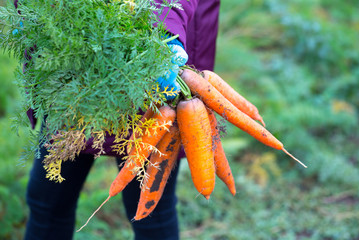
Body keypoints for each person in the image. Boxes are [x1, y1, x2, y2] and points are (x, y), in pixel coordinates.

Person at [16, 0, 220, 239]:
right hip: (71, 51)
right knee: (47, 199)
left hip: (153, 55)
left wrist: (166, 28)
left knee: (149, 208)